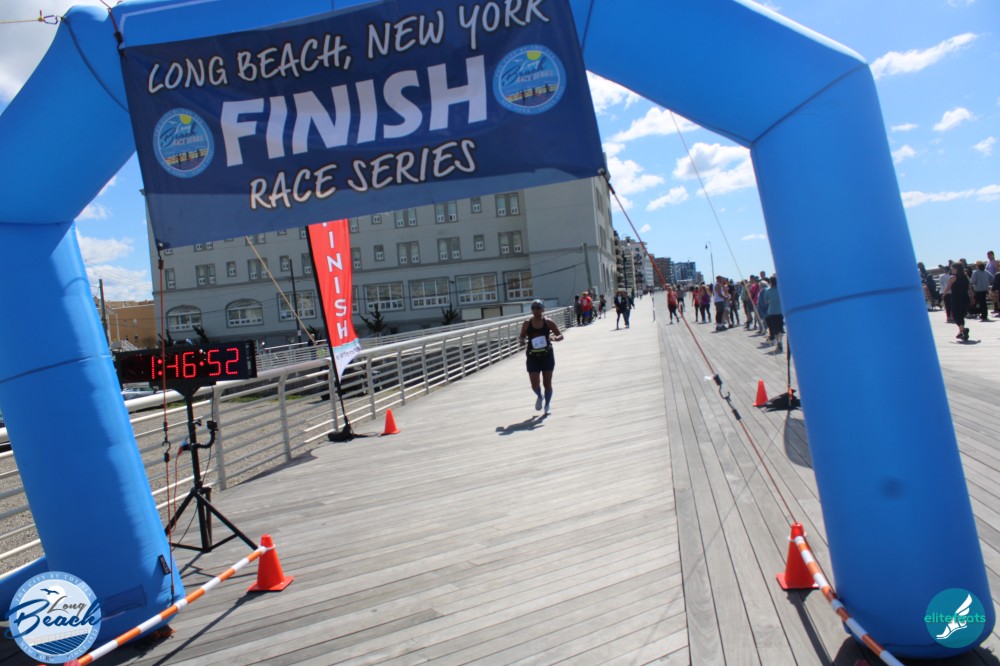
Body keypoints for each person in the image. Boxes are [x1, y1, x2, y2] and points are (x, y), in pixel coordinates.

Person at [518, 299, 564, 415]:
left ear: (543, 309)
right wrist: (522, 341)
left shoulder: (548, 322)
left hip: (547, 355)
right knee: (534, 384)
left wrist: (554, 338)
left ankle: (547, 405)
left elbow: (560, 335)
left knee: (547, 383)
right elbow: (522, 336)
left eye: (538, 307)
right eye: (533, 308)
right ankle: (539, 395)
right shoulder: (527, 323)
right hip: (532, 356)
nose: (535, 310)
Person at [943, 263, 970, 341]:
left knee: (955, 315)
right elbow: (970, 288)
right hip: (965, 298)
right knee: (961, 315)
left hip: (956, 298)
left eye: (952, 268)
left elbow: (948, 288)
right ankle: (960, 332)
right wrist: (972, 297)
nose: (951, 270)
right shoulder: (966, 277)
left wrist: (943, 295)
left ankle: (964, 330)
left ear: (957, 269)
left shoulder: (953, 277)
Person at [761, 276, 784, 353]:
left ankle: (778, 342)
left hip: (771, 312)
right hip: (780, 311)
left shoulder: (767, 291)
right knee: (780, 327)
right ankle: (780, 341)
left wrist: (771, 301)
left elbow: (766, 302)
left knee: (775, 329)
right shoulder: (780, 290)